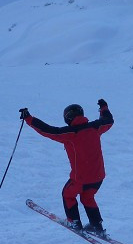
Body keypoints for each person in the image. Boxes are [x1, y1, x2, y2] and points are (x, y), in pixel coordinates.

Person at [19, 99, 114, 235]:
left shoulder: (70, 133)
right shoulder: (95, 127)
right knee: (87, 197)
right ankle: (96, 225)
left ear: (68, 118)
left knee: (67, 194)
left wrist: (29, 118)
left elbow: (48, 130)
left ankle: (74, 222)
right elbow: (108, 120)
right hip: (98, 177)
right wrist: (104, 107)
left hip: (80, 179)